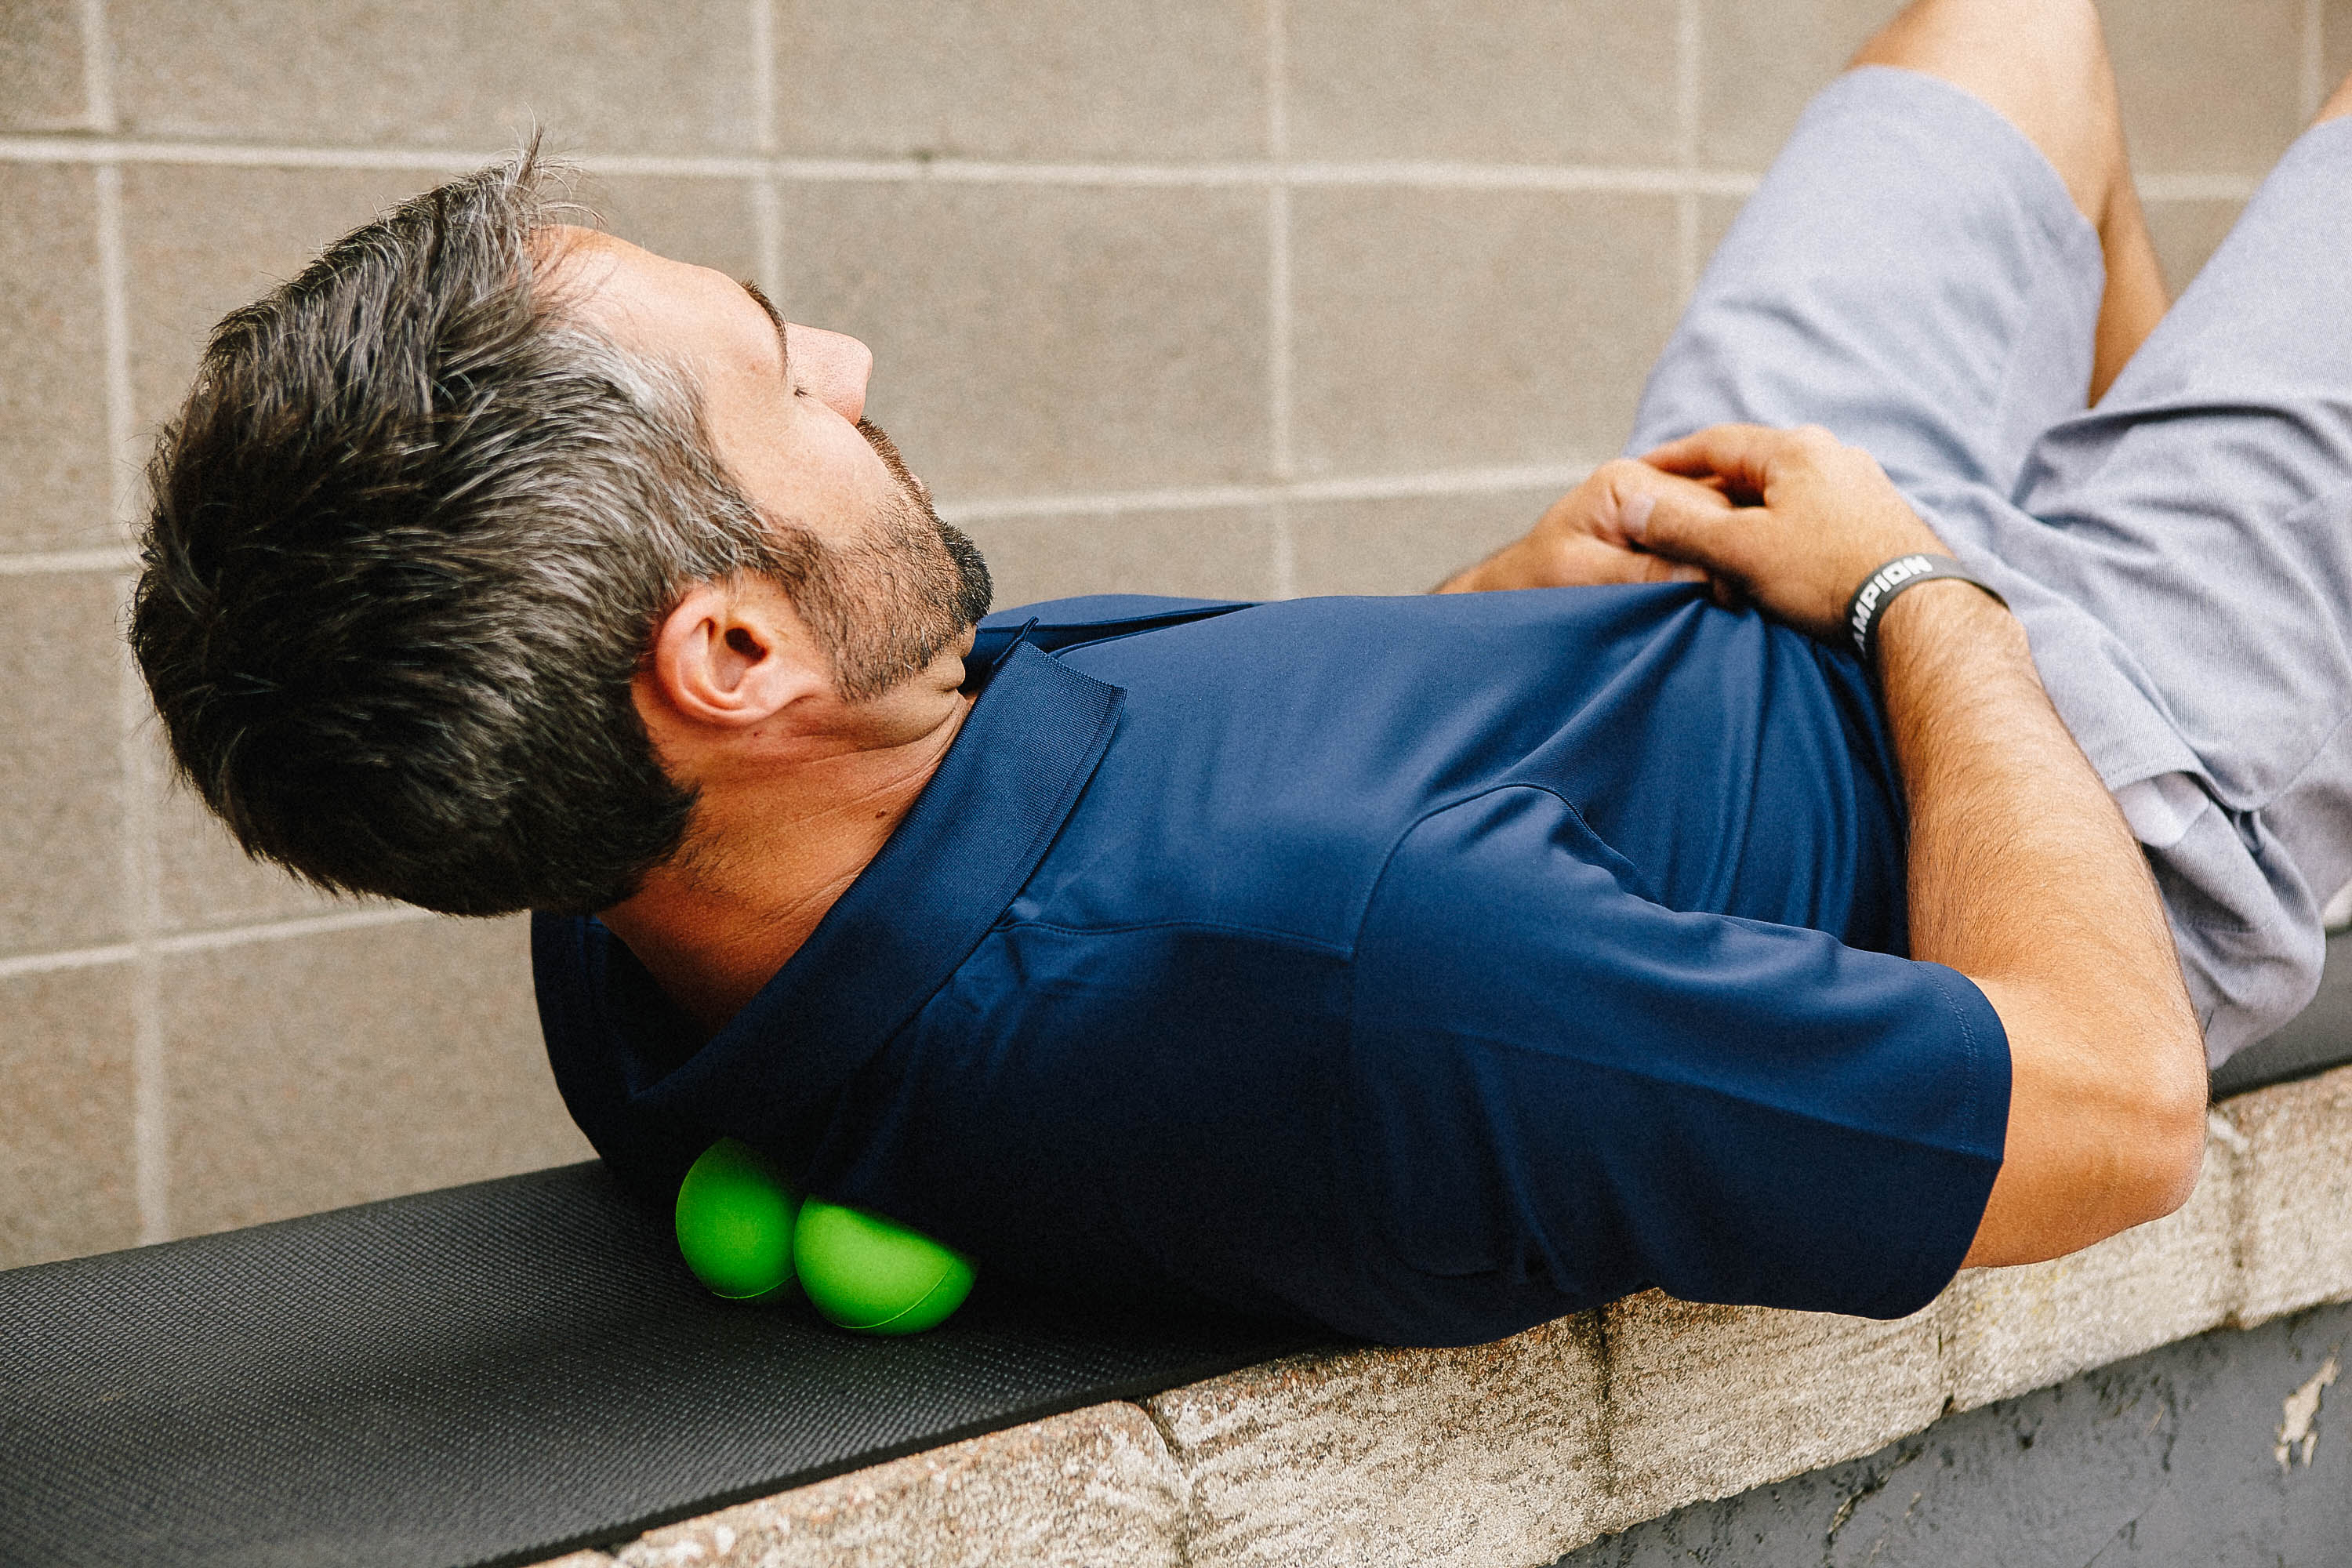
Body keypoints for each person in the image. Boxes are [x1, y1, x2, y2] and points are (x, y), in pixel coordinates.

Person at [129, 0, 2346, 1344]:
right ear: (730, 651)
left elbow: (1259, 861)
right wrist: (1937, 598)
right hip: (2087, 783)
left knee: (2012, 46)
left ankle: (2211, 504)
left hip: (1733, 565)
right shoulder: (1359, 972)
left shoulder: (643, 927)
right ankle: (2252, 612)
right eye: (784, 381)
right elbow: (2110, 1116)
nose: (853, 362)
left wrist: (1501, 610)